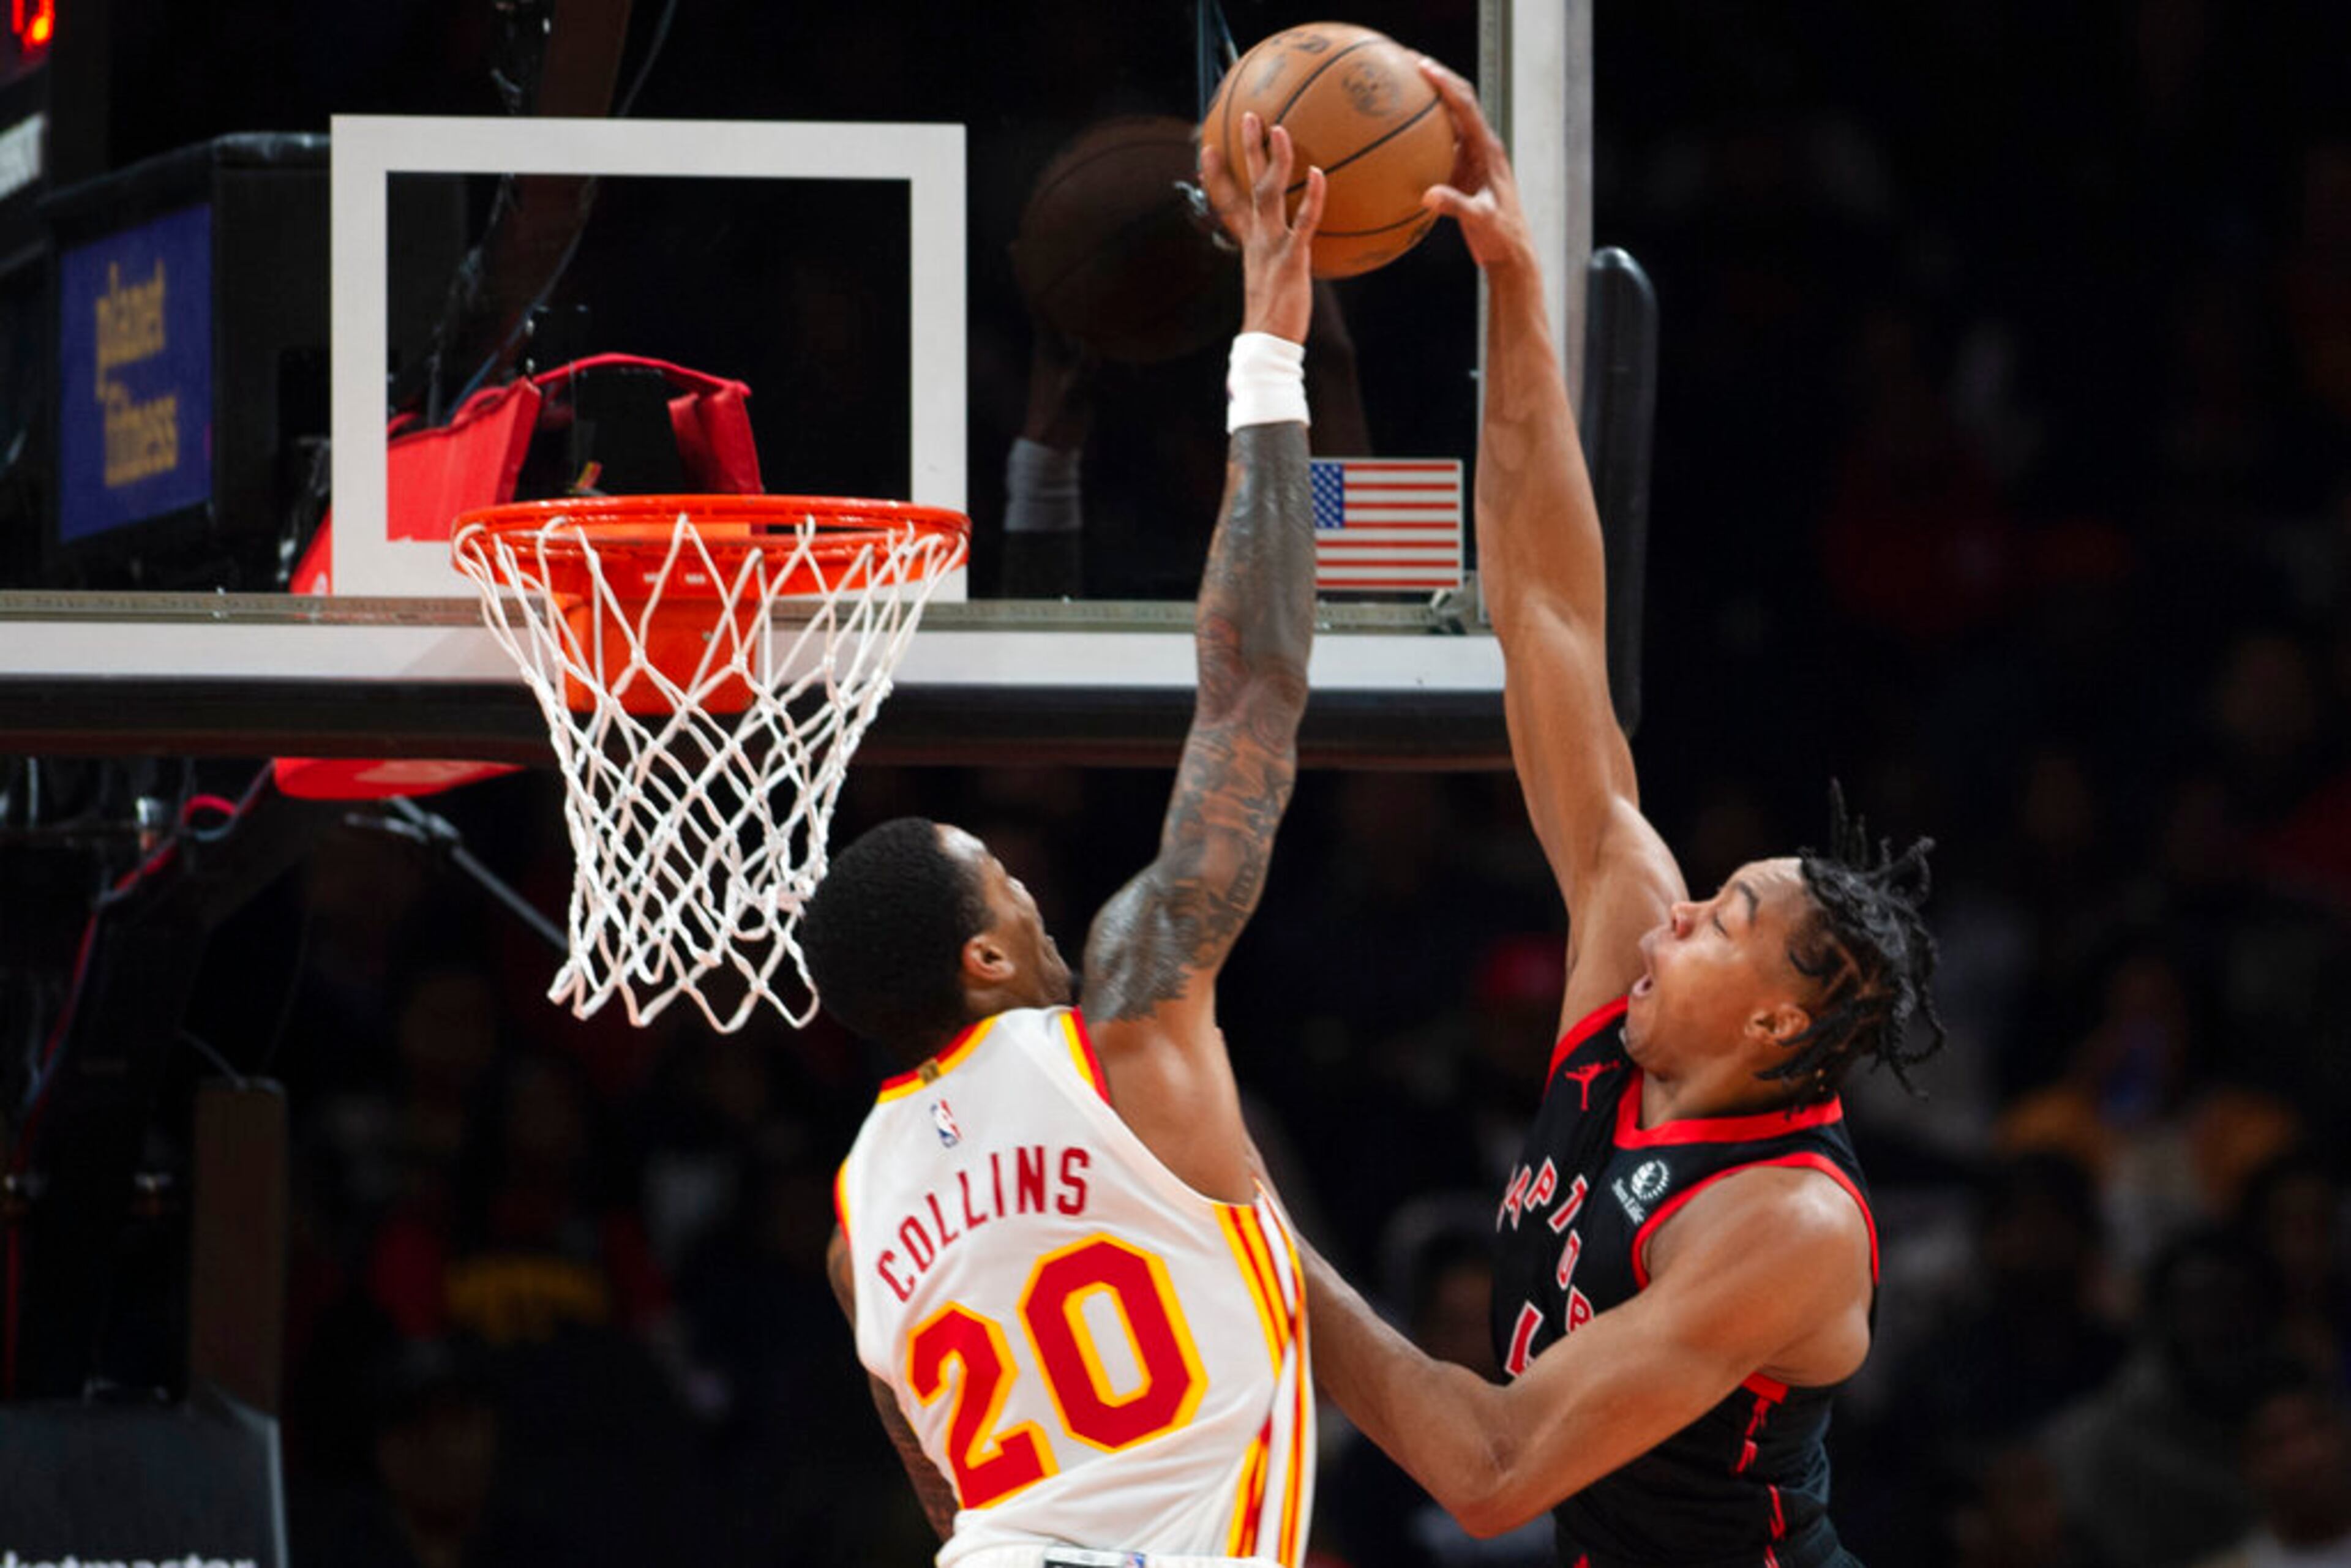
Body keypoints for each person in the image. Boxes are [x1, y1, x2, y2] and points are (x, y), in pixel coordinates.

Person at [1297, 59, 1946, 1568]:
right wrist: (1514, 293)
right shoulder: (1625, 966)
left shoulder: (1788, 1225)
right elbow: (1546, 614)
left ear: (1785, 1024)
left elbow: (1494, 1464)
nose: (1678, 908)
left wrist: (1236, 1219)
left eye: (1727, 918)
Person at [809, 111, 1324, 1568]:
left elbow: (941, 1488)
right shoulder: (1129, 1022)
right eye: (1014, 885)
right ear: (986, 953)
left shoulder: (858, 1222)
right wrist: (1272, 349)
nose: (1041, 900)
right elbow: (1254, 691)